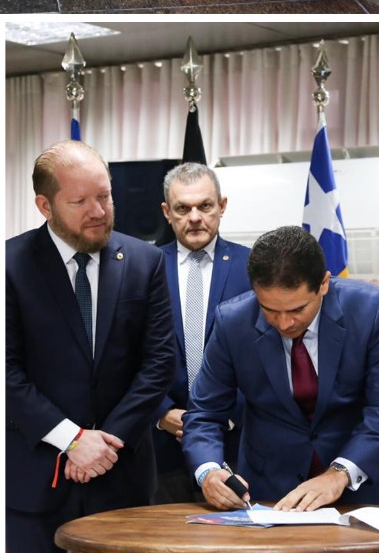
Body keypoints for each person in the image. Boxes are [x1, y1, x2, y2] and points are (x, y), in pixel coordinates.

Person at [6, 140, 175, 553]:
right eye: (80, 201)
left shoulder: (144, 260)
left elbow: (159, 362)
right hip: (38, 480)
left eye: (104, 195)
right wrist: (72, 440)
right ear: (45, 206)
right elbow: (7, 374)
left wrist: (106, 442)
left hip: (123, 477)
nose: (98, 211)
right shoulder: (11, 265)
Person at [183, 225, 379, 511]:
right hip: (268, 495)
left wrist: (339, 473)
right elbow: (204, 413)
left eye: (297, 310)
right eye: (269, 310)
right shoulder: (233, 322)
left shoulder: (370, 311)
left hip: (361, 491)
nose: (284, 323)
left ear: (324, 284)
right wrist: (208, 472)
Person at [153, 163, 251, 503]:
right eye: (183, 208)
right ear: (167, 212)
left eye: (204, 206)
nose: (194, 217)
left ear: (222, 206)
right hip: (162, 448)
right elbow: (125, 355)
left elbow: (266, 352)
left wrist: (222, 417)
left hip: (238, 445)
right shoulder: (141, 269)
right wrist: (161, 413)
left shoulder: (253, 267)